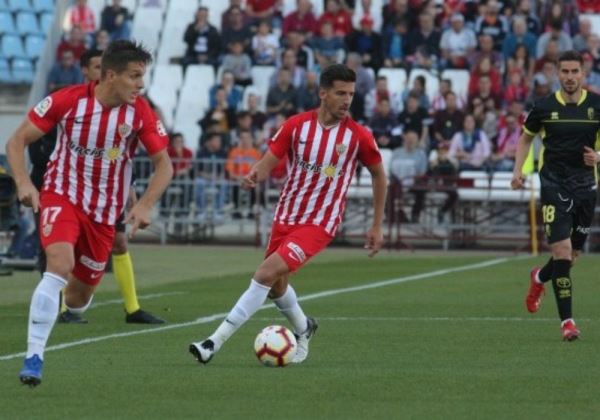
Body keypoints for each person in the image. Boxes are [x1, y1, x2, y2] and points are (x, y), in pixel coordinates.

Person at [189, 64, 387, 364]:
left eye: (351, 94)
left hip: (319, 222)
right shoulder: (296, 126)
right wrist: (255, 174)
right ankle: (304, 328)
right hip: (286, 216)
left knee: (265, 274)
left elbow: (379, 176)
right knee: (276, 285)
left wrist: (376, 225)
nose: (347, 100)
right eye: (340, 93)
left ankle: (213, 342)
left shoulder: (358, 136)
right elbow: (269, 161)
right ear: (323, 93)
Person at [7, 40, 173, 387]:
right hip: (61, 195)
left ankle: (67, 302)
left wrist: (143, 205)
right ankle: (34, 356)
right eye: (134, 76)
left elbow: (164, 166)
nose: (140, 84)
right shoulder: (68, 100)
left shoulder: (139, 112)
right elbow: (17, 140)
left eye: (143, 76)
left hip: (104, 212)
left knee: (78, 299)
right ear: (110, 75)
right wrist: (24, 183)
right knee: (59, 262)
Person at [511, 50, 600, 341]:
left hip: (586, 187)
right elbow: (525, 139)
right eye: (565, 72)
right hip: (553, 184)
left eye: (575, 72)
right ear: (557, 74)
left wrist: (598, 156)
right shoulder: (544, 107)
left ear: (583, 73)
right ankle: (568, 323)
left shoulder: (596, 106)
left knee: (570, 257)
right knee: (561, 252)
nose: (570, 77)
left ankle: (539, 277)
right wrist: (518, 170)